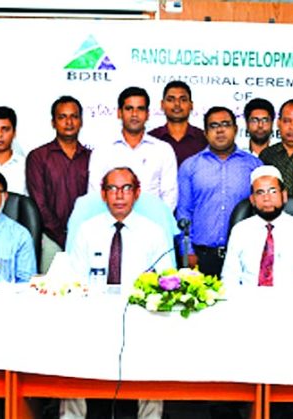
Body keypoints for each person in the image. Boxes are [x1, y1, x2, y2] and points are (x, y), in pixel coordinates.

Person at [65, 167, 171, 419]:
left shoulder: (154, 232)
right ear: (103, 194)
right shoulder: (86, 230)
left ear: (137, 193)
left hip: (140, 319)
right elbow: (75, 282)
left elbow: (167, 283)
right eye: (112, 188)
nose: (119, 195)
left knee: (153, 356)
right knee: (69, 352)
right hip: (94, 317)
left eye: (126, 188)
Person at [177, 106, 261, 276]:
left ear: (236, 129)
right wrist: (187, 252)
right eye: (214, 126)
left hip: (244, 256)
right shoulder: (190, 166)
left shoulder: (254, 166)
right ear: (205, 133)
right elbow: (184, 212)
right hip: (201, 257)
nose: (220, 130)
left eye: (226, 124)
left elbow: (261, 211)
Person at [222, 165, 293, 287]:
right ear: (252, 200)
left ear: (284, 195)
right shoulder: (240, 230)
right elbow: (229, 277)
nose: (267, 198)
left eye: (273, 191)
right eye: (260, 193)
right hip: (248, 301)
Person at [26, 96, 91, 273]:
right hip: (51, 239)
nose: (68, 122)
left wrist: (79, 234)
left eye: (74, 116)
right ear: (53, 122)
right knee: (51, 293)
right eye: (62, 117)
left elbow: (95, 199)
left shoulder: (92, 157)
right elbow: (39, 203)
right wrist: (63, 236)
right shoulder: (38, 157)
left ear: (81, 121)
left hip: (87, 238)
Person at [87, 87, 178, 209]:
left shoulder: (163, 150)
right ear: (119, 113)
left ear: (147, 114)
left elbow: (169, 197)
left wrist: (156, 225)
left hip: (153, 225)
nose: (134, 114)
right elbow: (95, 197)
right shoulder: (103, 151)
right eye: (129, 109)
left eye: (140, 109)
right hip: (111, 226)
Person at [147, 81, 206, 166]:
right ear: (162, 104)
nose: (177, 104)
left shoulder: (204, 139)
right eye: (171, 100)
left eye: (183, 100)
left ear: (191, 105)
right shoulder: (150, 139)